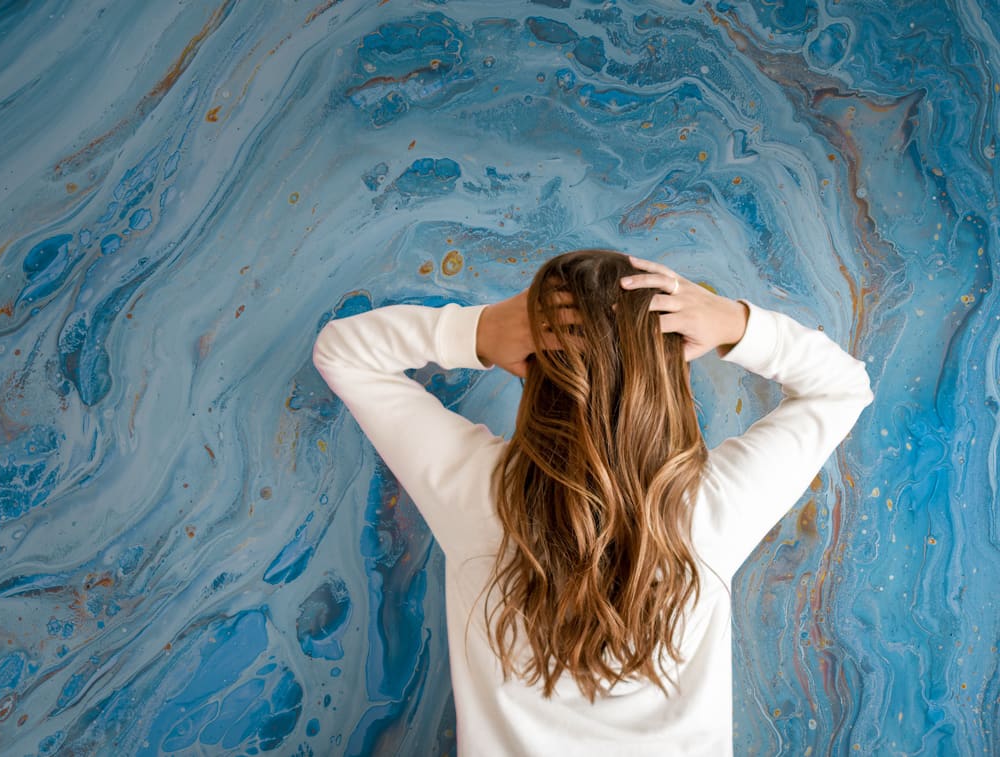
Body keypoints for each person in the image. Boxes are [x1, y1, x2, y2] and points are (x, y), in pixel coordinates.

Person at [311, 249, 874, 755]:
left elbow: (343, 353)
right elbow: (842, 386)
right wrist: (734, 324)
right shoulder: (708, 510)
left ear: (532, 362)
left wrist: (479, 331)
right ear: (670, 372)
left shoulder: (479, 495)